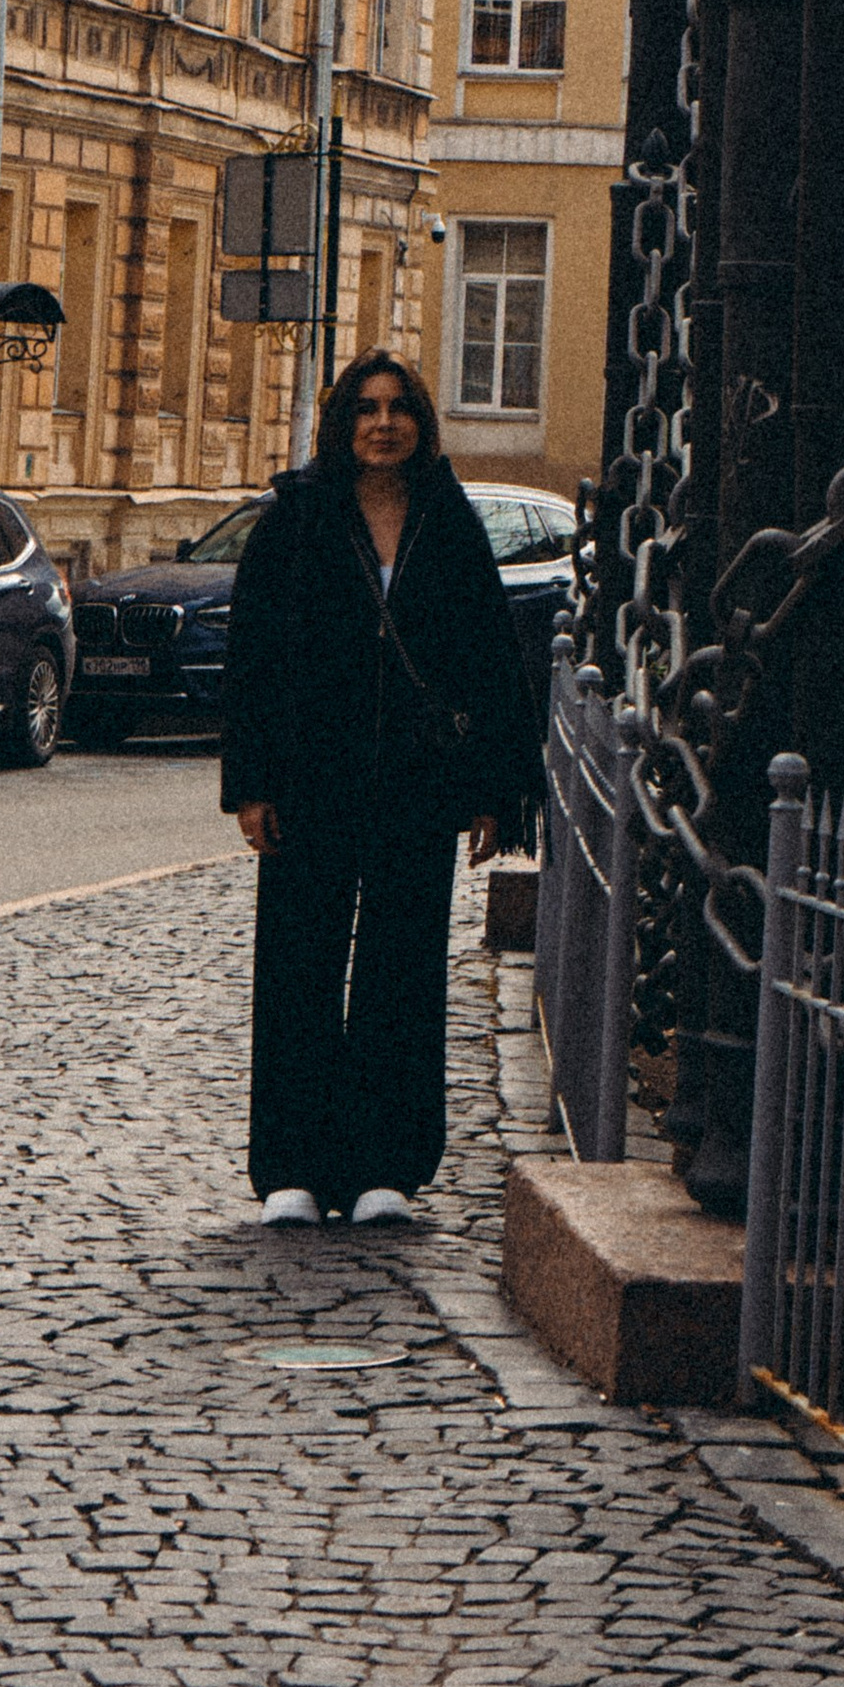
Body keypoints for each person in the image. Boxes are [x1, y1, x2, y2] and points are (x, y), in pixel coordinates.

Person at [221, 347, 540, 1225]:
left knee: (402, 970)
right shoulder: (297, 519)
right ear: (343, 422)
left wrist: (489, 790)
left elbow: (489, 658)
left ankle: (383, 1169)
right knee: (299, 964)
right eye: (366, 408)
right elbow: (253, 659)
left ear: (420, 422)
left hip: (415, 782)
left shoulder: (450, 519)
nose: (383, 423)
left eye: (398, 408)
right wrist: (251, 784)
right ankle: (291, 1165)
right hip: (309, 779)